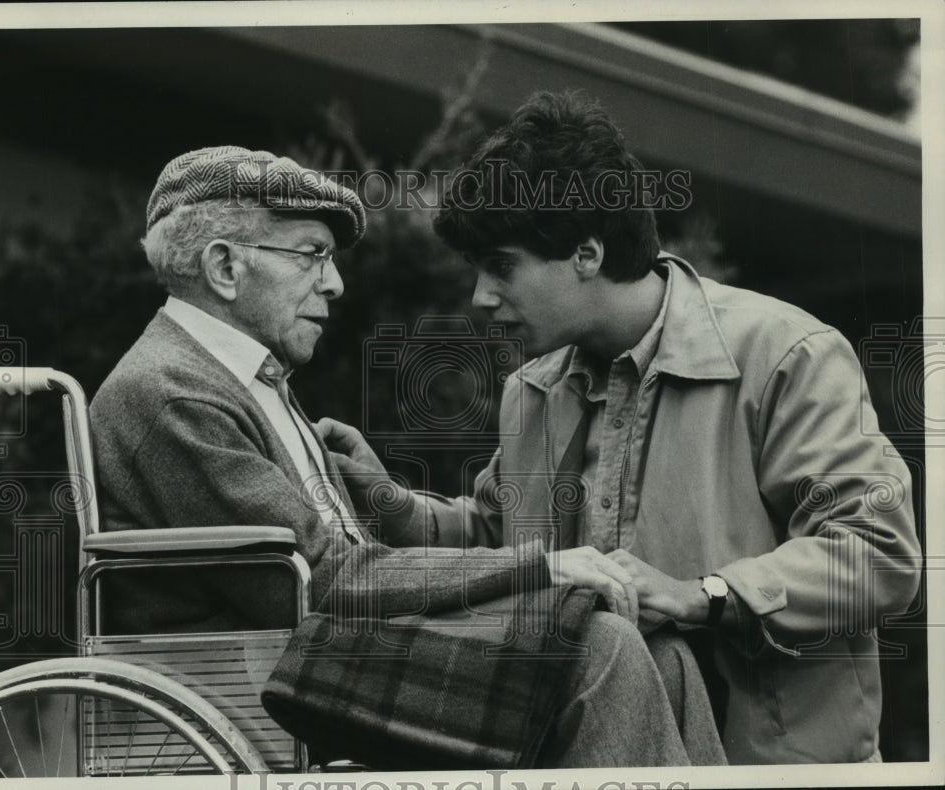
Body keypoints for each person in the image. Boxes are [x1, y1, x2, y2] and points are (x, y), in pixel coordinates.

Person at [321, 92, 923, 764]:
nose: (481, 297)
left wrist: (704, 596)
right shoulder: (532, 391)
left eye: (501, 267)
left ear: (586, 253)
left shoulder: (789, 354)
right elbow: (500, 536)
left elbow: (876, 554)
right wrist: (390, 502)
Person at [88, 145, 726, 769]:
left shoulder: (241, 379)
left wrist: (383, 497)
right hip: (265, 680)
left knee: (657, 645)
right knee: (600, 644)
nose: (334, 283)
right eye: (312, 254)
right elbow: (325, 580)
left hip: (314, 656)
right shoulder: (173, 393)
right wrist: (541, 570)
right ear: (225, 267)